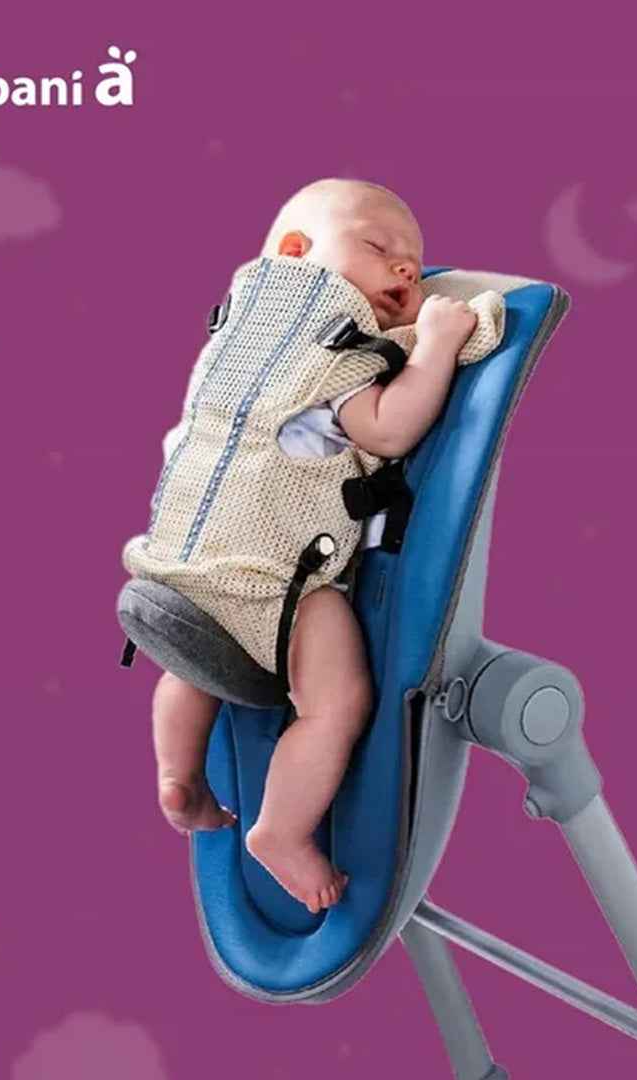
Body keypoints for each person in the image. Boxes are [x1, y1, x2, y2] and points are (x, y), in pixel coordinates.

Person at [149, 178, 479, 914]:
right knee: (336, 702)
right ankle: (282, 831)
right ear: (297, 254)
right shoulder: (333, 346)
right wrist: (434, 345)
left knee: (189, 667)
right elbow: (389, 429)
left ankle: (181, 778)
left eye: (411, 262)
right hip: (275, 574)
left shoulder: (233, 340)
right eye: (378, 246)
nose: (405, 267)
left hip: (180, 563)